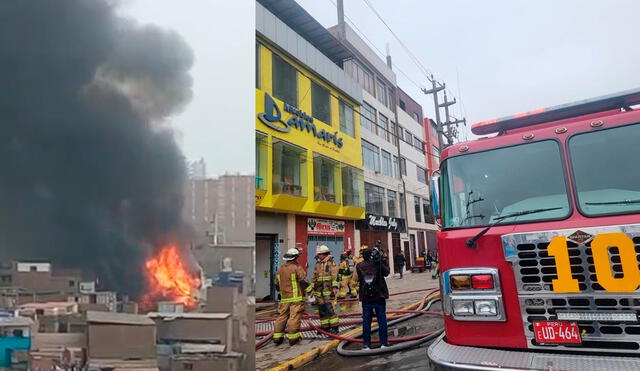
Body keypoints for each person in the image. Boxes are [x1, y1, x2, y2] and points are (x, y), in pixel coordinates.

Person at [353, 241, 390, 350]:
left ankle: (366, 344)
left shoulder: (359, 266)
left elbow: (355, 279)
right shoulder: (378, 264)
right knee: (381, 320)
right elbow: (387, 272)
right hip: (379, 296)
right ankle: (384, 343)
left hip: (365, 298)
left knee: (366, 321)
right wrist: (382, 261)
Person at [273, 248, 310, 346]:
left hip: (284, 299)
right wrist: (310, 292)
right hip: (296, 298)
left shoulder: (280, 269)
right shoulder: (296, 268)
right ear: (295, 257)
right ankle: (293, 339)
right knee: (294, 317)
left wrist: (281, 293)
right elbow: (303, 282)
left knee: (282, 317)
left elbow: (276, 284)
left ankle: (277, 337)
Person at [310, 245, 340, 333]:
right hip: (319, 292)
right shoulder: (318, 264)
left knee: (330, 309)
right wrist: (311, 289)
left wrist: (334, 288)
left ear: (324, 254)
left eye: (319, 254)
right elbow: (314, 277)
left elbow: (335, 276)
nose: (318, 256)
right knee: (322, 310)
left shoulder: (331, 263)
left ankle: (335, 327)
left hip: (329, 291)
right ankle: (325, 327)